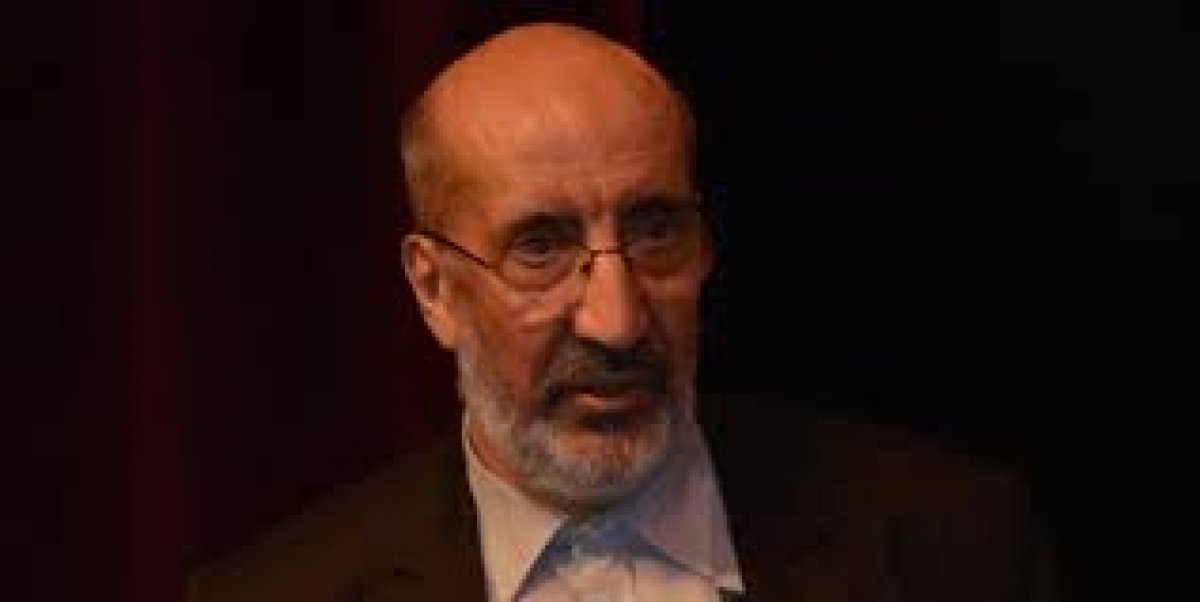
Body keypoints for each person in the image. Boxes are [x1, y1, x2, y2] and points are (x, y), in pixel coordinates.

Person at [186, 22, 1056, 601]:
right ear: (434, 288)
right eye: (540, 247)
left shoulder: (949, 545)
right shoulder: (277, 595)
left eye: (654, 231)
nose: (618, 321)